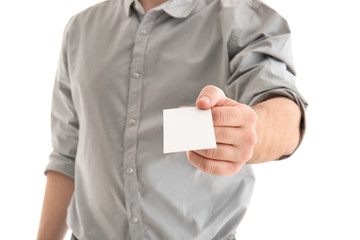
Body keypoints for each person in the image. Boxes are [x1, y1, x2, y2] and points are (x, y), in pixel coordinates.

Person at [37, 0, 307, 239]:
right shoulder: (81, 29)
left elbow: (284, 111)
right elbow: (66, 155)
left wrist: (250, 129)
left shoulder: (245, 19)